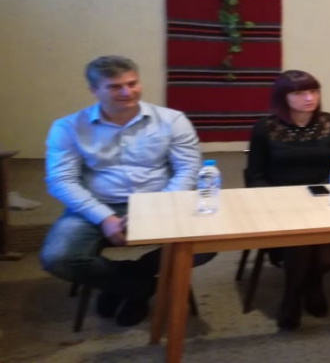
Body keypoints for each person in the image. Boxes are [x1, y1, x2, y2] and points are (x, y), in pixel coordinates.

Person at [40, 55, 213, 327]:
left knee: (208, 243)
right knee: (57, 258)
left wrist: (155, 208)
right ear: (94, 90)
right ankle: (138, 287)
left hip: (161, 201)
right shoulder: (68, 127)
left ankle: (125, 280)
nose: (127, 92)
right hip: (98, 205)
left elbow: (188, 169)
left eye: (132, 84)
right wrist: (104, 218)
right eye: (114, 87)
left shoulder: (172, 120)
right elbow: (61, 180)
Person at [246, 70, 330, 330]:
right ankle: (293, 296)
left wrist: (326, 199)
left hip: (325, 201)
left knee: (326, 257)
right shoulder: (265, 128)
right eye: (299, 93)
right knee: (300, 235)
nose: (309, 98)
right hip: (280, 203)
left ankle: (310, 281)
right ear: (282, 97)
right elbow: (255, 175)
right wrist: (275, 202)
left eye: (313, 91)